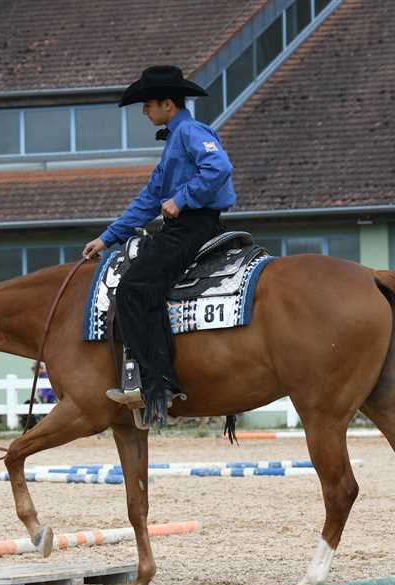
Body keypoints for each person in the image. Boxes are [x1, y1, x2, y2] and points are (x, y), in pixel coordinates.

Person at [82, 65, 235, 426]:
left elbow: (219, 167)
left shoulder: (192, 132)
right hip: (184, 225)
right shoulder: (175, 141)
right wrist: (107, 237)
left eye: (148, 104)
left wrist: (182, 199)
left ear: (168, 104)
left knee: (133, 289)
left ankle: (157, 382)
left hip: (192, 226)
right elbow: (150, 198)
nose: (144, 111)